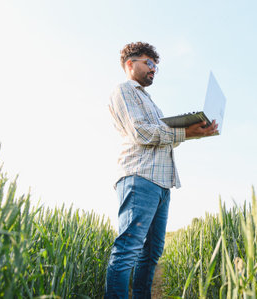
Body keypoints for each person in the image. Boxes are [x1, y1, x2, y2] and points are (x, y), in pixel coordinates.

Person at [104, 41, 218, 298]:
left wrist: (194, 133)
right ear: (130, 64)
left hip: (162, 182)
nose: (154, 69)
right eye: (149, 63)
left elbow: (164, 136)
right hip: (139, 178)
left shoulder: (152, 104)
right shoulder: (124, 91)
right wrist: (184, 131)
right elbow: (141, 132)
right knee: (128, 249)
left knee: (152, 251)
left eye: (156, 65)